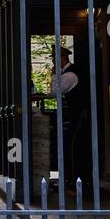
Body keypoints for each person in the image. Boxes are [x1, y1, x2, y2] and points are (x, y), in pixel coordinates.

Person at [49, 47, 88, 193]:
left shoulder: (70, 74)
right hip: (76, 116)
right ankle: (71, 179)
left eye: (55, 59)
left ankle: (73, 181)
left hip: (77, 117)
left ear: (63, 58)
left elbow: (55, 91)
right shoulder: (69, 73)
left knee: (72, 148)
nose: (53, 62)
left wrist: (53, 75)